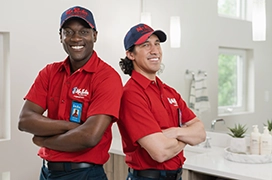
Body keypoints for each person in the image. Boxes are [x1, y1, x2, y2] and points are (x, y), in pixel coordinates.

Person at [18, 6, 123, 180]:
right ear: (61, 37)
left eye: (83, 31)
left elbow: (89, 137)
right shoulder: (49, 72)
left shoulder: (107, 77)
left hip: (84, 174)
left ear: (94, 36)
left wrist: (43, 141)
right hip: (47, 173)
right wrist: (69, 126)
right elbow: (25, 120)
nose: (76, 38)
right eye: (68, 32)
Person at [117, 23, 206, 180]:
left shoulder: (169, 92)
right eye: (146, 45)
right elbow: (160, 152)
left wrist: (175, 132)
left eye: (157, 43)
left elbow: (200, 133)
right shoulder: (131, 95)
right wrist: (186, 137)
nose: (155, 50)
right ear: (131, 54)